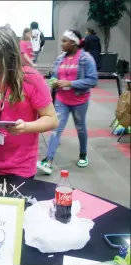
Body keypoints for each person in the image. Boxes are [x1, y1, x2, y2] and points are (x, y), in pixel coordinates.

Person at [0, 26, 58, 179]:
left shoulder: (31, 79)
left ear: (10, 56)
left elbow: (52, 120)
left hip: (20, 167)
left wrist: (26, 127)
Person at [37, 30, 98, 174]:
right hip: (62, 100)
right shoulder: (60, 59)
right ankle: (48, 160)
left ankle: (83, 154)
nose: (61, 43)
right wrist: (54, 82)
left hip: (79, 101)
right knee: (56, 128)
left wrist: (70, 83)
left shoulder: (85, 59)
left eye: (65, 41)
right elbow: (55, 75)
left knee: (80, 128)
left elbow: (92, 80)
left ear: (73, 43)